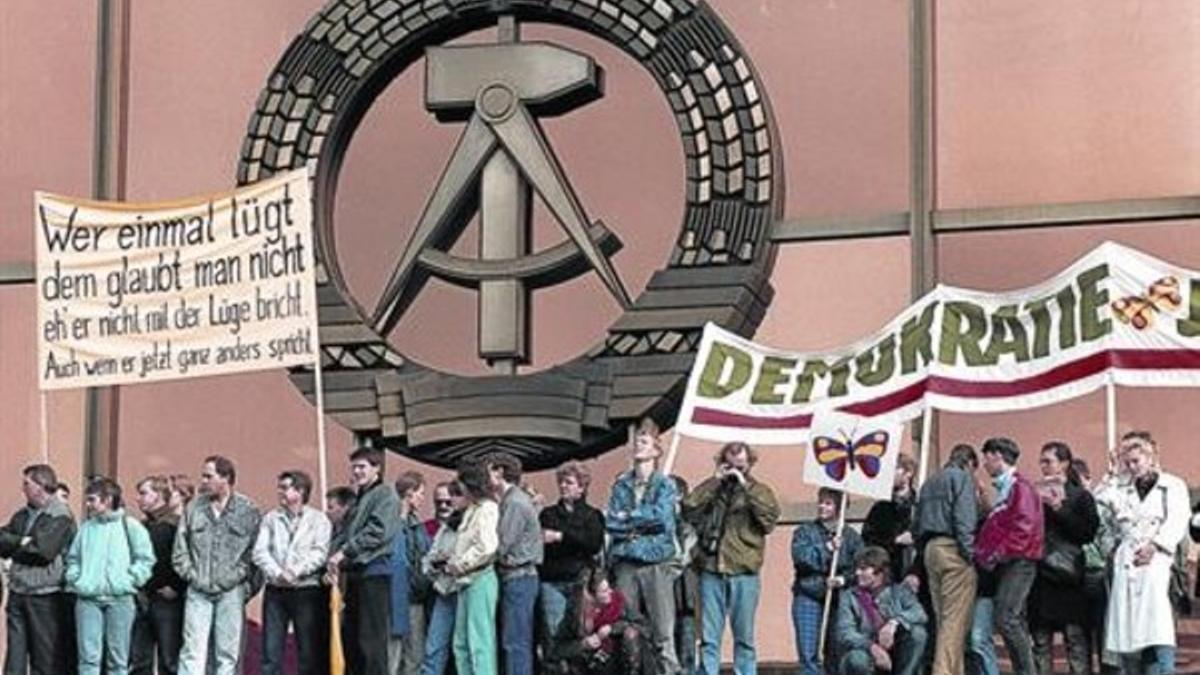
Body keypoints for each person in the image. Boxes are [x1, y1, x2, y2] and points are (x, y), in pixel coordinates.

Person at [682, 441, 780, 675]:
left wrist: (746, 486)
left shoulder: (761, 491)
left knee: (744, 638)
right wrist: (715, 480)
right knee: (708, 638)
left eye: (741, 466)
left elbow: (769, 521)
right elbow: (689, 509)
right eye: (730, 465)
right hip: (711, 568)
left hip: (744, 570)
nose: (735, 470)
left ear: (750, 464)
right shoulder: (713, 489)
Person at [1103, 431, 1190, 675]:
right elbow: (1100, 503)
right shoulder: (1121, 488)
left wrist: (1156, 546)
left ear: (1150, 458)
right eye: (1127, 462)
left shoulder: (1172, 485)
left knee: (1157, 629)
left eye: (1136, 461)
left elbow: (1177, 519)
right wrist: (1112, 473)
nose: (1132, 467)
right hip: (1128, 563)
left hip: (1156, 563)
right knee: (1130, 634)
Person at [173, 455, 262, 675]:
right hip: (198, 589)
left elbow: (254, 554)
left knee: (228, 654)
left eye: (208, 476)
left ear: (226, 478)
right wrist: (193, 576)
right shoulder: (194, 508)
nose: (202, 481)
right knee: (192, 651)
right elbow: (180, 550)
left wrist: (241, 583)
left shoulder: (248, 510)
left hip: (231, 590)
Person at [606, 419, 680, 675]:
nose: (638, 444)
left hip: (655, 562)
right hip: (627, 561)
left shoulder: (665, 485)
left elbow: (661, 519)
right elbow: (612, 522)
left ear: (656, 450)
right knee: (625, 625)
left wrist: (630, 518)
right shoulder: (621, 484)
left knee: (663, 631)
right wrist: (636, 522)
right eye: (637, 440)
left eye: (645, 441)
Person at [66, 477, 156, 675]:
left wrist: (131, 580)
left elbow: (145, 559)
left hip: (120, 599)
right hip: (88, 599)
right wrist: (77, 579)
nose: (88, 504)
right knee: (88, 659)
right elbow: (73, 559)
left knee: (118, 659)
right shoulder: (86, 529)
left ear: (107, 500)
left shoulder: (130, 526)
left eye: (92, 499)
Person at [327, 447, 400, 675]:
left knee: (371, 642)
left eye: (362, 467)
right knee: (354, 640)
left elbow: (378, 531)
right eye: (354, 467)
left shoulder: (385, 495)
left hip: (375, 573)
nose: (357, 471)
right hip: (357, 574)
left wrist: (345, 552)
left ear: (376, 468)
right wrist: (334, 559)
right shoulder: (361, 498)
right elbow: (346, 533)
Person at [0, 463, 78, 675]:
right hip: (18, 591)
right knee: (15, 654)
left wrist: (16, 545)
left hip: (44, 594)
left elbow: (43, 552)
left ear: (40, 486)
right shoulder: (21, 515)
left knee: (44, 656)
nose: (22, 488)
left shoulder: (60, 515)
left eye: (27, 483)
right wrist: (22, 542)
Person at [974, 438, 1043, 675]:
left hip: (1018, 561)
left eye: (986, 458)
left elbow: (1024, 525)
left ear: (998, 456)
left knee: (1006, 618)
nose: (984, 464)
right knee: (1013, 620)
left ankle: (1026, 671)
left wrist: (997, 554)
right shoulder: (1007, 487)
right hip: (1011, 561)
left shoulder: (1019, 487)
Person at [1030, 442, 1099, 675]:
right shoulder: (1033, 495)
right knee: (1040, 640)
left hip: (1068, 577)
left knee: (1075, 639)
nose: (1044, 467)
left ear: (1064, 464)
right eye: (1042, 462)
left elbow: (1087, 532)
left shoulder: (1080, 496)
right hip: (1040, 575)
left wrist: (1059, 508)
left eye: (1048, 461)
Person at [254, 470, 332, 675]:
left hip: (306, 591)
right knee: (271, 651)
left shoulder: (318, 520)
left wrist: (296, 571)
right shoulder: (270, 518)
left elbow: (320, 552)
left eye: (285, 487)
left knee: (308, 650)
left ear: (300, 491)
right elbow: (260, 551)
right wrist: (279, 573)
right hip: (276, 591)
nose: (279, 491)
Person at [914, 443, 979, 675]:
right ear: (970, 463)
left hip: (931, 550)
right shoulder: (962, 479)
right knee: (955, 621)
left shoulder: (929, 482)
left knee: (943, 619)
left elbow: (916, 524)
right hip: (953, 550)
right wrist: (971, 555)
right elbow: (964, 520)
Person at [791, 486, 862, 675]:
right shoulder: (805, 532)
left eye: (828, 503)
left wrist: (841, 580)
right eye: (820, 502)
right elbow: (801, 558)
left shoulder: (852, 537)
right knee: (808, 654)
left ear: (839, 507)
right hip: (808, 595)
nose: (822, 506)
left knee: (835, 653)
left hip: (838, 601)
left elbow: (859, 570)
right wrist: (828, 548)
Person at [539, 461, 605, 660]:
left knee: (582, 631)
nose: (563, 486)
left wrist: (561, 537)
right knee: (555, 632)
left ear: (581, 487)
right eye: (561, 482)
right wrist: (574, 539)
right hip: (553, 581)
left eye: (569, 482)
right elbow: (544, 543)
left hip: (580, 581)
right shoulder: (548, 514)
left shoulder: (592, 515)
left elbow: (593, 543)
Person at [834, 546, 928, 675]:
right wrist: (872, 647)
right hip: (866, 654)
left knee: (918, 634)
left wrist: (893, 623)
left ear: (879, 572)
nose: (857, 573)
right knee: (856, 659)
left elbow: (919, 613)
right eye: (857, 569)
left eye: (863, 569)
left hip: (895, 654)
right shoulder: (849, 596)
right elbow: (845, 632)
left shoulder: (899, 591)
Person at [130, 475, 187, 675]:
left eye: (144, 493)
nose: (138, 498)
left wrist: (177, 587)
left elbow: (185, 559)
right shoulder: (140, 526)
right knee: (138, 660)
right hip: (141, 597)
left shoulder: (177, 525)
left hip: (167, 601)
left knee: (169, 660)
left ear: (160, 495)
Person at [448, 460, 500, 675]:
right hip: (466, 580)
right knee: (461, 643)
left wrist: (460, 564)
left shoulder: (487, 509)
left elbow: (487, 547)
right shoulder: (473, 509)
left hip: (479, 578)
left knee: (479, 642)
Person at [545, 568, 643, 675]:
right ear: (592, 596)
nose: (610, 592)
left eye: (609, 587)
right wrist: (583, 644)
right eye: (604, 591)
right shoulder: (575, 615)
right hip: (587, 663)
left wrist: (612, 628)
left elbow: (638, 624)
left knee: (631, 634)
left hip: (615, 658)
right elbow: (556, 650)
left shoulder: (617, 602)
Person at [389, 471, 433, 675]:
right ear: (409, 493)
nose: (422, 498)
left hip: (414, 596)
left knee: (414, 654)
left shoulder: (415, 522)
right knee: (394, 654)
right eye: (420, 493)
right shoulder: (391, 520)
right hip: (396, 595)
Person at [420, 481, 466, 675]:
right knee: (434, 649)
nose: (445, 506)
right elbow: (427, 562)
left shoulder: (476, 523)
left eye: (449, 500)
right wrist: (438, 563)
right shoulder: (444, 529)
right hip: (444, 592)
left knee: (465, 650)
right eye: (440, 502)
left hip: (467, 591)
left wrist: (455, 562)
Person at [862, 453, 919, 586]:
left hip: (914, 577)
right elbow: (868, 540)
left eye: (894, 468)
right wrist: (894, 540)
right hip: (888, 575)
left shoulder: (919, 506)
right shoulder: (881, 507)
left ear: (908, 473)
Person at [669, 475, 699, 675]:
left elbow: (693, 552)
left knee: (687, 644)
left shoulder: (692, 522)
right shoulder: (657, 520)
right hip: (664, 592)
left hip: (686, 593)